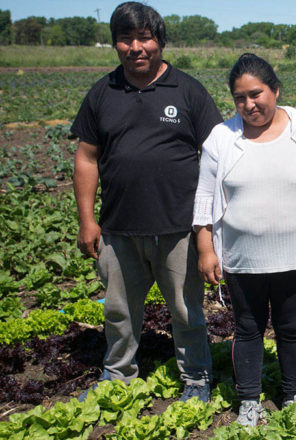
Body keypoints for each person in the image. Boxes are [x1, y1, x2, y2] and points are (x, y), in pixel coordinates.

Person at [71, 2, 221, 403]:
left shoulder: (188, 90)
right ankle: (118, 373)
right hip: (119, 228)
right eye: (126, 38)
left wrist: (211, 227)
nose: (136, 47)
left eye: (145, 38)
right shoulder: (103, 92)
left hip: (179, 227)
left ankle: (196, 377)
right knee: (118, 311)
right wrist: (87, 221)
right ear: (115, 43)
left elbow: (219, 155)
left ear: (160, 41)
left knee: (187, 311)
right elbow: (86, 158)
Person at [193, 53, 296, 426]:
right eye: (240, 98)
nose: (249, 104)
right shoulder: (222, 138)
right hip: (243, 257)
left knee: (292, 328)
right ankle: (248, 400)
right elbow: (205, 197)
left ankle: (294, 393)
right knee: (247, 328)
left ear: (275, 90)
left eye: (256, 94)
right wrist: (206, 247)